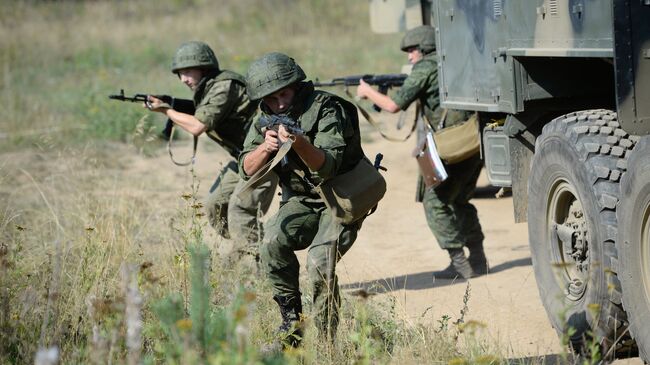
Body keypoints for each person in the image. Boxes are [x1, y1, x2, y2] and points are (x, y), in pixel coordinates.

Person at [239, 52, 366, 347]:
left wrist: (298, 141)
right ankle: (292, 325)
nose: (279, 103)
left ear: (296, 85)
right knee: (271, 242)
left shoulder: (326, 108)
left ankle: (325, 342)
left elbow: (329, 165)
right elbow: (246, 169)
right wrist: (267, 148)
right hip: (303, 199)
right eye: (270, 99)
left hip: (342, 196)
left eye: (283, 94)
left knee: (320, 262)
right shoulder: (265, 120)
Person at [356, 25, 488, 279]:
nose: (409, 56)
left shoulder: (425, 67)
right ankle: (479, 259)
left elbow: (393, 106)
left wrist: (367, 91)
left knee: (434, 201)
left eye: (413, 50)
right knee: (460, 200)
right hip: (472, 140)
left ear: (425, 49)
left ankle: (459, 262)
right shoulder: (455, 61)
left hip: (450, 146)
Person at [145, 41, 278, 259]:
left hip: (265, 155)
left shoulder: (223, 87)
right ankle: (253, 247)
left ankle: (263, 265)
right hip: (243, 158)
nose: (183, 79)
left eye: (188, 72)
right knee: (214, 206)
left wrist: (167, 111)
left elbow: (198, 126)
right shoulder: (207, 90)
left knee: (240, 211)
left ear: (204, 68)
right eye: (179, 74)